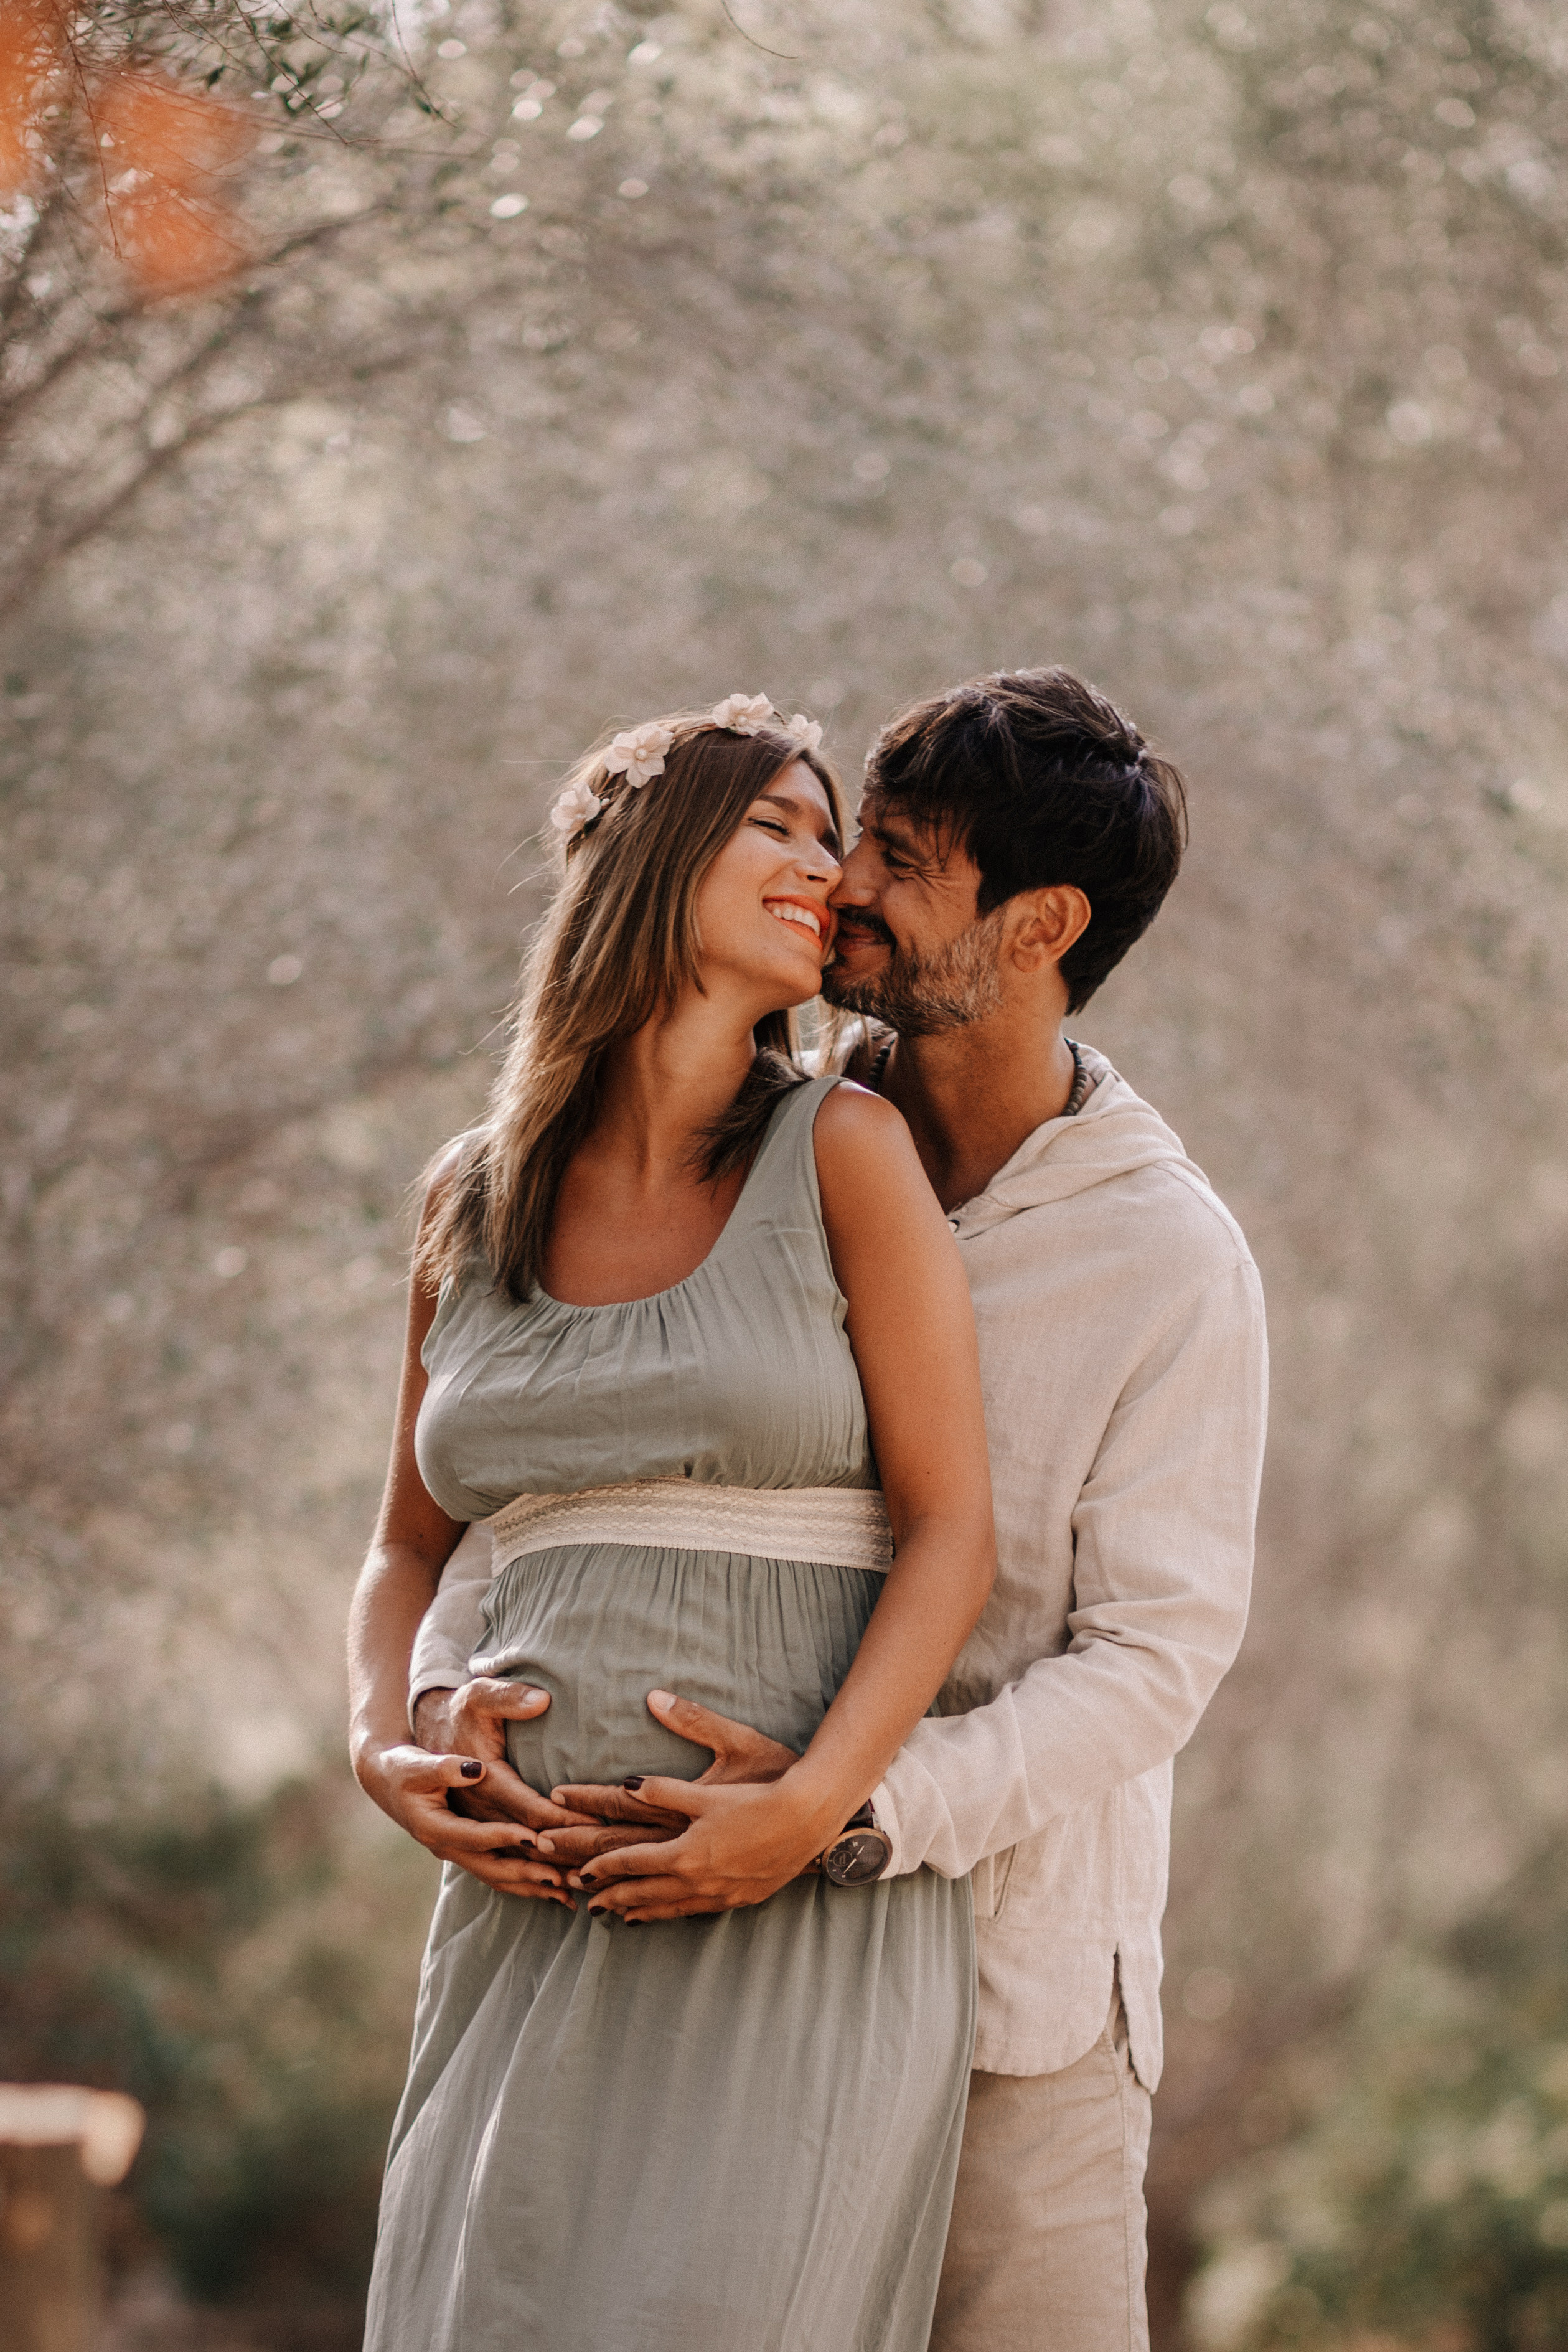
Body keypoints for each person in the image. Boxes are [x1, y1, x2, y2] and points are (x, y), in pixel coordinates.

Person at [412, 669, 1269, 2352]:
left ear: (1041, 926)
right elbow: (561, 1466)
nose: (846, 884)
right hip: (708, 1962)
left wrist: (850, 1809)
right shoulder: (775, 1144)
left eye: (903, 858)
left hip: (1008, 2016)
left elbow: (1154, 1657)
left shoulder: (1165, 1257)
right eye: (852, 835)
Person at [347, 697, 997, 2352]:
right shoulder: (469, 1203)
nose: (824, 862)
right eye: (778, 820)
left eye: (828, 829)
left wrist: (810, 1810)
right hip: (521, 1909)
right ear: (646, 856)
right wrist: (387, 1734)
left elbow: (950, 1531)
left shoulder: (843, 1149)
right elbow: (410, 1545)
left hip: (781, 1907)